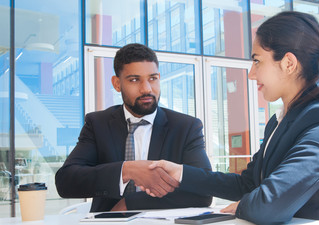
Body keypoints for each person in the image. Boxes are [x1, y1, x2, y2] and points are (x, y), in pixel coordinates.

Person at [146, 11, 319, 225]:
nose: (251, 74)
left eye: (257, 60)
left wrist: (242, 206)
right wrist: (180, 173)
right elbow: (248, 184)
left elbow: (269, 204)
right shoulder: (278, 122)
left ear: (288, 63)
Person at [55, 43, 212, 212]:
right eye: (134, 80)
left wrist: (131, 203)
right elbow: (66, 182)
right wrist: (127, 170)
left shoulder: (186, 127)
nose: (147, 89)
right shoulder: (98, 124)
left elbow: (204, 191)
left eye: (153, 78)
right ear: (116, 83)